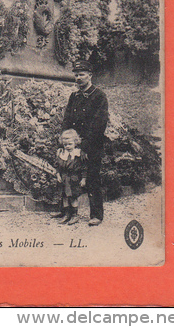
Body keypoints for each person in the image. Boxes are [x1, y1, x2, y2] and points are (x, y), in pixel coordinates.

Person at [62, 60, 109, 226]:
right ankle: (69, 212)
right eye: (76, 75)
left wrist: (85, 145)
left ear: (90, 75)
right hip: (73, 145)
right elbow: (67, 118)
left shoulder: (99, 96)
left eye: (82, 74)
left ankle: (96, 215)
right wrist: (66, 138)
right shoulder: (74, 96)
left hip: (92, 144)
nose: (78, 78)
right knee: (69, 177)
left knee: (92, 178)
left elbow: (99, 124)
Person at [52, 129, 87, 225]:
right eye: (65, 144)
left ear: (75, 142)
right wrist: (58, 175)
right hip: (64, 179)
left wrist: (83, 179)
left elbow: (84, 168)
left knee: (73, 197)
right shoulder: (62, 154)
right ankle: (67, 214)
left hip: (73, 179)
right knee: (64, 197)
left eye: (70, 144)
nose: (67, 147)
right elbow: (58, 166)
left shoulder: (79, 154)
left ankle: (75, 215)